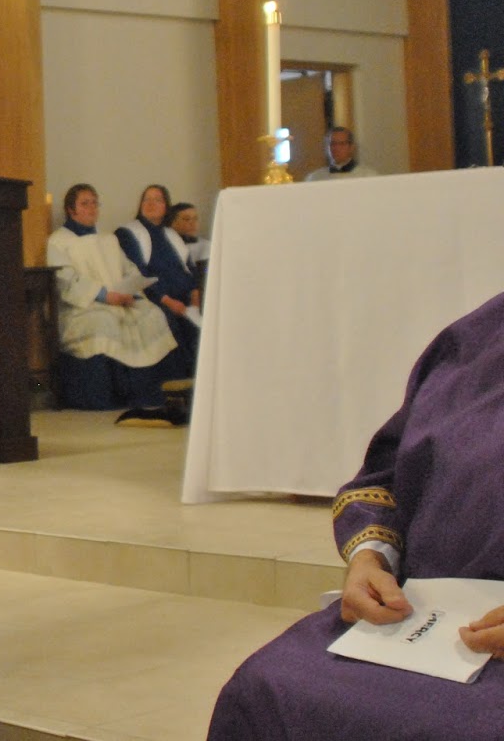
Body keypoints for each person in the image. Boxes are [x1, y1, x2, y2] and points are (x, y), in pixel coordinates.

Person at [206, 291, 504, 740]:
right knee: (266, 687)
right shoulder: (475, 337)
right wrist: (371, 559)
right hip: (429, 622)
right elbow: (388, 473)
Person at [46, 184, 179, 422]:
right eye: (85, 203)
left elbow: (129, 269)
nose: (92, 208)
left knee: (153, 315)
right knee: (104, 322)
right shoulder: (59, 241)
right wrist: (104, 296)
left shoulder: (108, 239)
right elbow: (65, 279)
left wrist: (130, 291)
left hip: (120, 300)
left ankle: (147, 394)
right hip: (84, 306)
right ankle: (108, 397)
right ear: (71, 209)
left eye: (95, 202)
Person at [115, 184, 199, 382]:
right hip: (153, 298)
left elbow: (189, 270)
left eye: (158, 200)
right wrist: (168, 301)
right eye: (147, 199)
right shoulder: (128, 234)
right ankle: (179, 383)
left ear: (166, 206)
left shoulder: (171, 235)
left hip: (184, 298)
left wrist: (195, 298)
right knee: (169, 320)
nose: (151, 204)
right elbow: (139, 274)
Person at [305, 126, 379, 181]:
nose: (336, 148)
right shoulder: (315, 178)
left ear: (351, 147)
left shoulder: (368, 176)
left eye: (342, 144)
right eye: (332, 144)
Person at [166, 201, 210, 290]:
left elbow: (208, 271)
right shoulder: (163, 247)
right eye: (186, 219)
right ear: (173, 223)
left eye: (195, 219)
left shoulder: (206, 246)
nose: (193, 223)